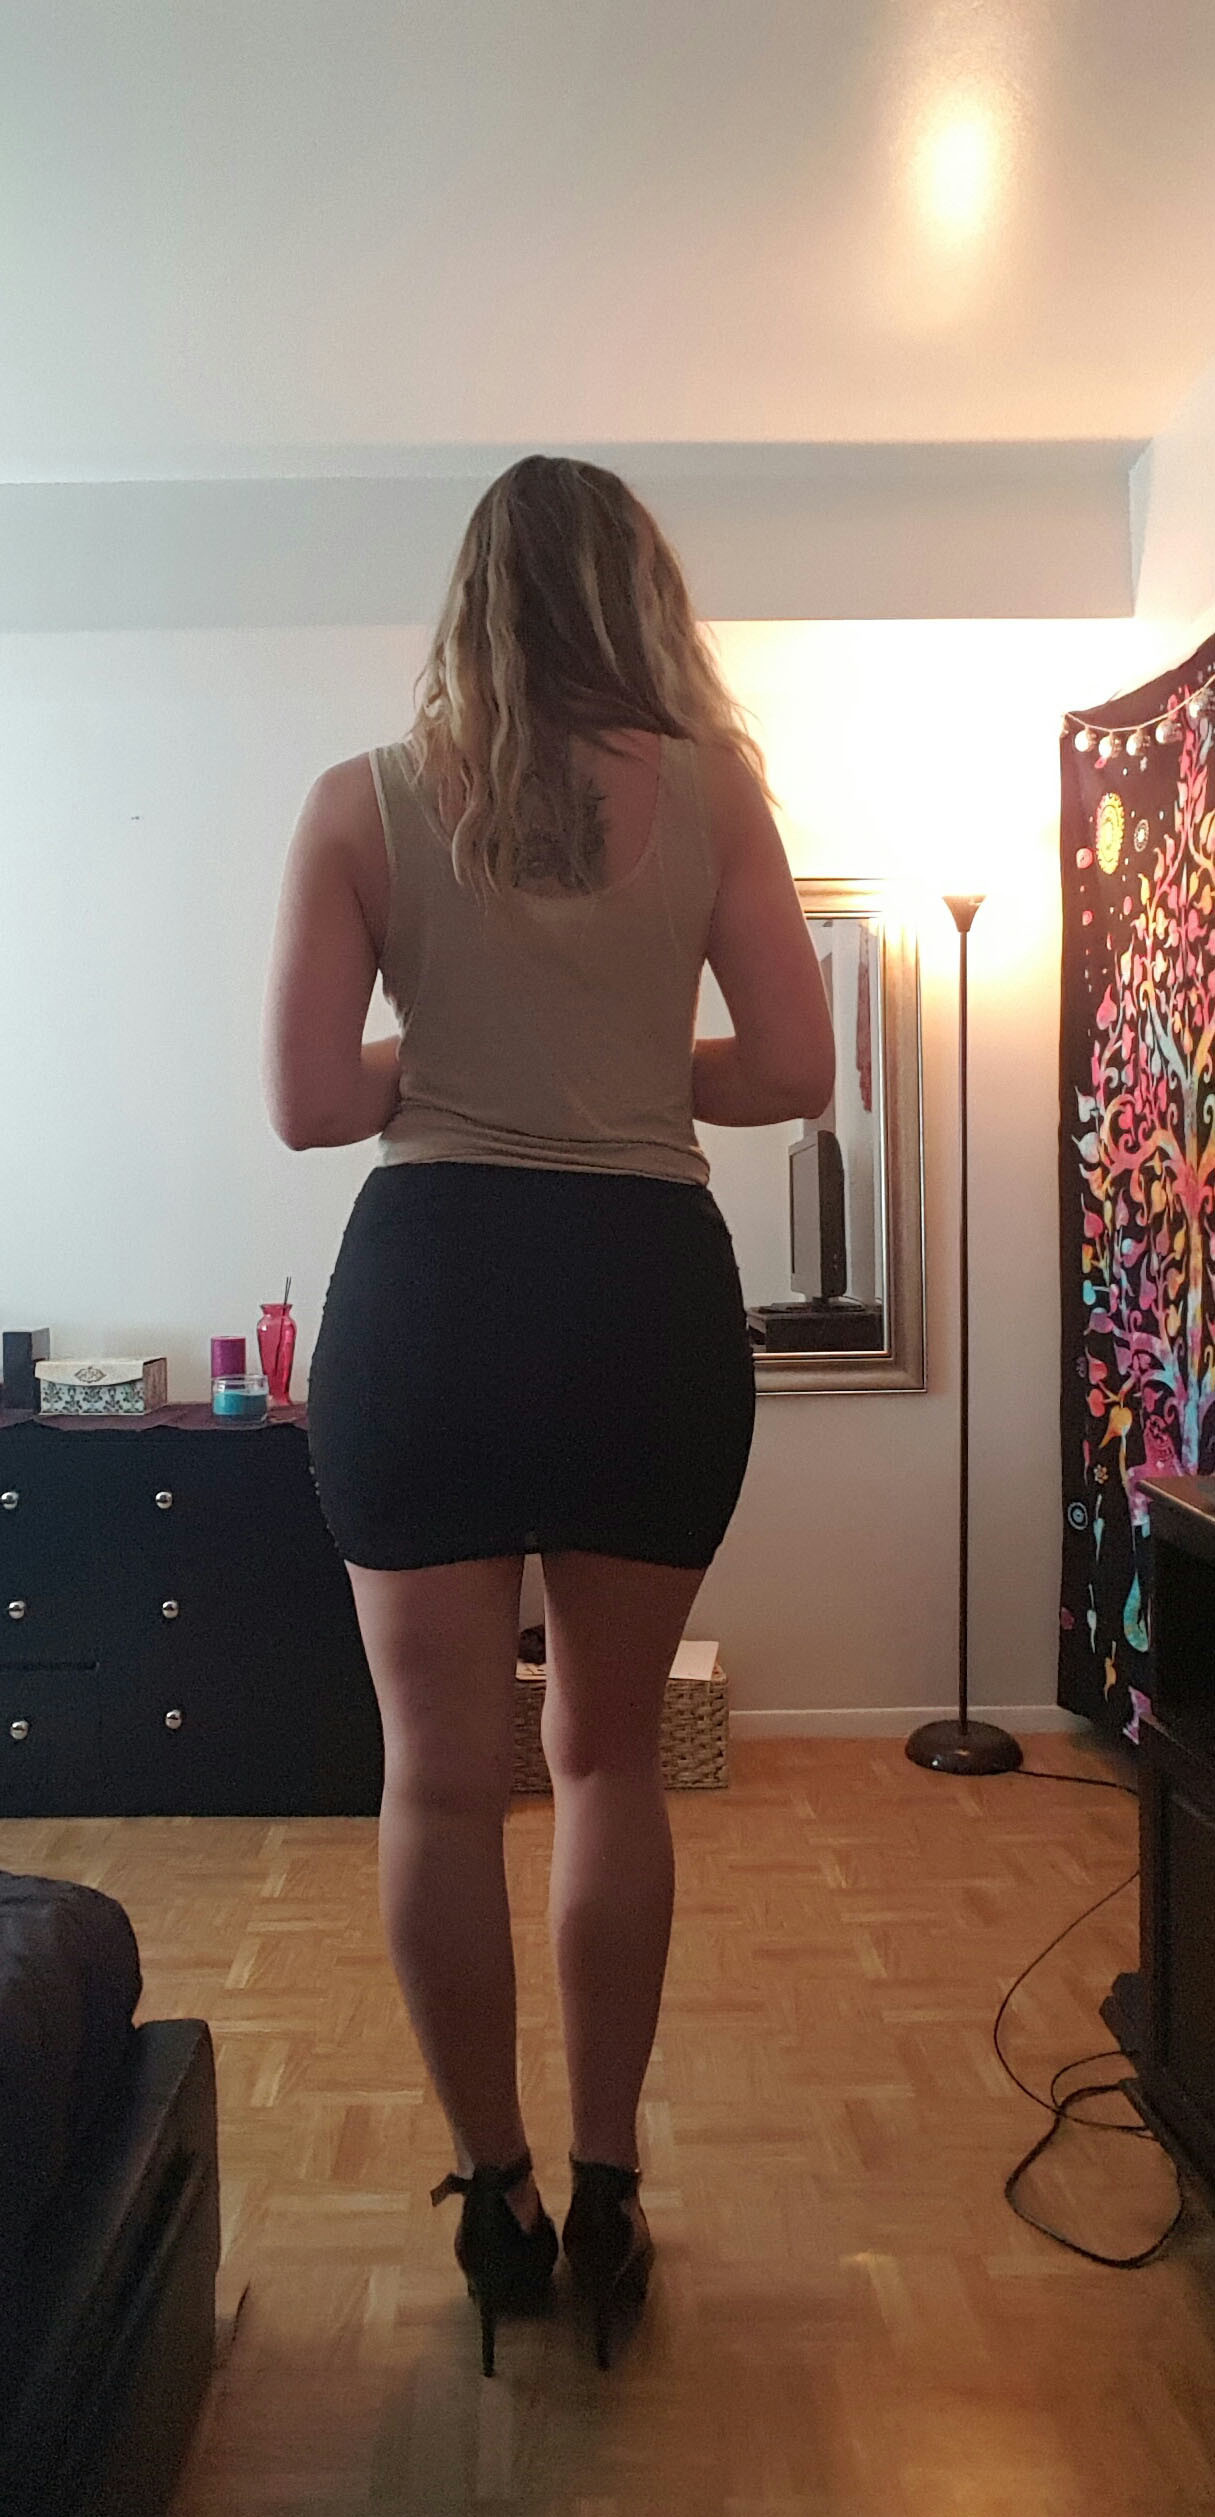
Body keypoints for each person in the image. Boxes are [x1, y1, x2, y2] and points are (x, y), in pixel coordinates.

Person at [261, 453, 835, 2376]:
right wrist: (625, 1054)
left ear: (470, 602)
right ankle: (607, 2190)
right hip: (638, 1304)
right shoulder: (720, 794)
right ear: (634, 601)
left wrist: (455, 1049)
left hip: (432, 1299)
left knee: (439, 1776)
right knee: (604, 1765)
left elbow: (309, 1103)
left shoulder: (361, 801)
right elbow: (796, 1067)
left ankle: (493, 2205)